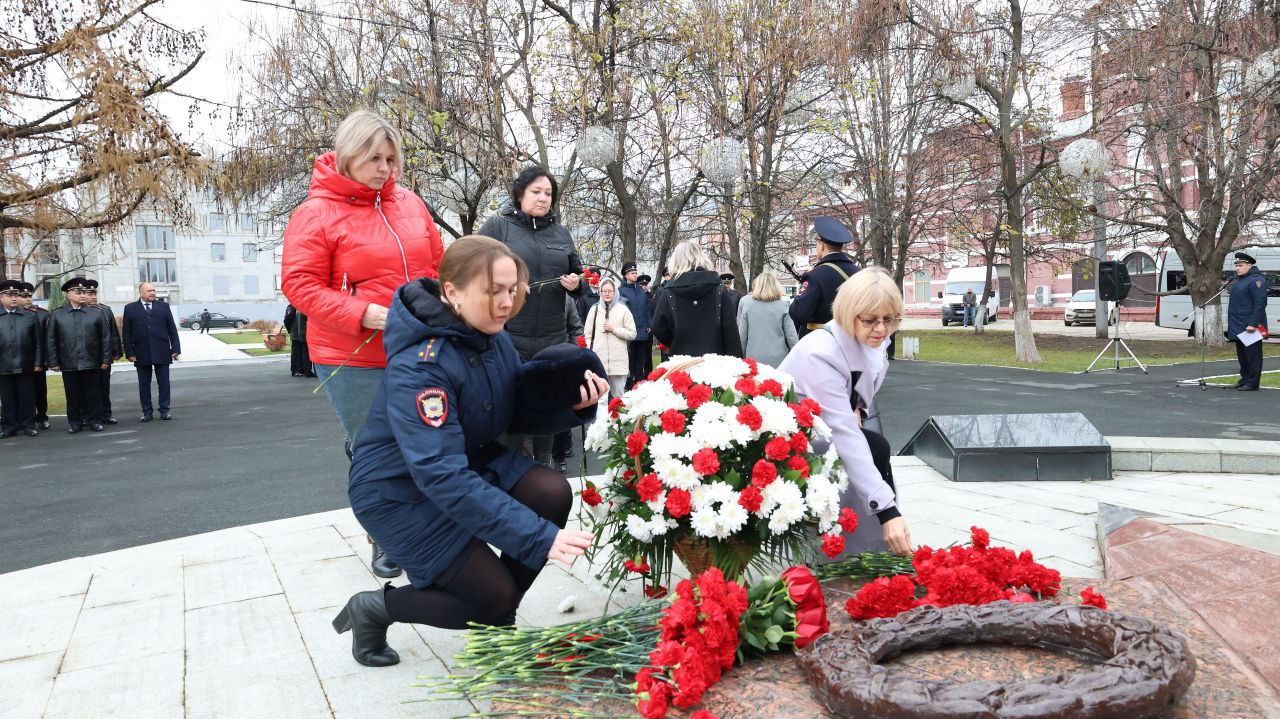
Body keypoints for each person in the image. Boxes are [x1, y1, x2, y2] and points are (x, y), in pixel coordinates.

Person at [333, 236, 607, 667]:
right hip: (397, 492)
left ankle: (496, 621)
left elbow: (510, 407)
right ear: (452, 292)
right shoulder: (421, 366)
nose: (505, 301)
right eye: (492, 291)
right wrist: (538, 537)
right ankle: (375, 608)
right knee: (493, 598)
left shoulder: (490, 336)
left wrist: (570, 405)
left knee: (551, 492)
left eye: (512, 290)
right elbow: (440, 474)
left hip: (465, 460)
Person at [282, 109, 445, 579]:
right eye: (375, 158)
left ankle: (423, 524)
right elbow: (300, 285)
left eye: (392, 159)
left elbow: (436, 266)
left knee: (422, 439)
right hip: (352, 357)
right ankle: (386, 535)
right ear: (348, 155)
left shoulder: (410, 204)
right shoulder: (315, 213)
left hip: (417, 346)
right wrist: (362, 313)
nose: (385, 169)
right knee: (375, 448)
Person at [779, 267, 912, 558]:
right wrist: (887, 510)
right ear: (848, 313)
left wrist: (856, 408)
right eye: (870, 320)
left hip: (820, 427)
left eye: (889, 320)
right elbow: (843, 435)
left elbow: (862, 386)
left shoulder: (873, 338)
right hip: (787, 442)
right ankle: (855, 550)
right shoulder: (821, 352)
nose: (881, 329)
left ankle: (874, 549)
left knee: (875, 448)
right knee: (862, 452)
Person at [478, 165, 585, 466]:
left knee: (545, 406)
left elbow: (578, 273)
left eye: (548, 193)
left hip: (551, 337)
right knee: (508, 406)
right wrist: (504, 285)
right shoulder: (499, 227)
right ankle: (507, 468)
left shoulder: (561, 233)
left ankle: (544, 466)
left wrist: (577, 284)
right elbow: (470, 268)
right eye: (536, 192)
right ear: (520, 194)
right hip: (507, 336)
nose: (543, 198)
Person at [650, 241, 743, 358]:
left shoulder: (669, 291)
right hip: (715, 362)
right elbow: (730, 331)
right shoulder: (719, 289)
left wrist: (677, 341)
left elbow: (658, 327)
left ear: (676, 260)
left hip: (682, 361)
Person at [47, 277, 111, 433]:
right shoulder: (57, 314)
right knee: (73, 395)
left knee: (93, 393)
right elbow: (51, 339)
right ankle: (75, 423)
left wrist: (105, 359)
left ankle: (94, 421)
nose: (82, 295)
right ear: (69, 294)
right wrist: (54, 362)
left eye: (84, 292)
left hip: (92, 360)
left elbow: (105, 338)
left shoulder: (96, 313)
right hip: (69, 362)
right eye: (78, 292)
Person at [789, 216, 859, 339]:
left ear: (821, 245)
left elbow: (798, 313)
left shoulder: (814, 276)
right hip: (852, 340)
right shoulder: (859, 273)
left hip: (819, 342)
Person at [121, 282, 181, 421]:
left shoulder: (163, 307)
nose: (152, 293)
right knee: (144, 384)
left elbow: (172, 329)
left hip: (162, 350)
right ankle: (147, 411)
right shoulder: (130, 308)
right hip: (141, 352)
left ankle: (164, 410)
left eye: (153, 290)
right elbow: (126, 333)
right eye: (149, 291)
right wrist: (130, 352)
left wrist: (176, 348)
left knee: (164, 382)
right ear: (141, 292)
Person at [0, 279, 42, 438]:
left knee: (27, 397)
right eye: (9, 295)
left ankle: (28, 425)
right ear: (1, 297)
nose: (13, 298)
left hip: (26, 363)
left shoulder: (29, 316)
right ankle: (8, 427)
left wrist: (38, 362)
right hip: (3, 365)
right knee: (7, 398)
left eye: (15, 294)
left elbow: (38, 342)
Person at [584, 276, 637, 397]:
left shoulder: (623, 309)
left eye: (610, 291)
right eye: (604, 291)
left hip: (618, 362)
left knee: (619, 398)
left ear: (615, 292)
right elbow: (587, 335)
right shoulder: (594, 310)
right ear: (600, 292)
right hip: (599, 361)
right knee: (600, 398)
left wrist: (614, 330)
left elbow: (633, 333)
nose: (607, 294)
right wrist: (588, 353)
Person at [736, 270, 798, 368]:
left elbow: (742, 336)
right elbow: (792, 337)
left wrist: (739, 358)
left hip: (753, 358)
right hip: (779, 358)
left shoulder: (747, 305)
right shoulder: (783, 306)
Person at [1227, 252, 1269, 391]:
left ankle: (1252, 383)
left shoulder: (1257, 280)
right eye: (1236, 265)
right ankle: (1244, 379)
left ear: (1249, 266)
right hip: (1239, 324)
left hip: (1249, 325)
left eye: (1240, 265)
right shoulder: (1240, 280)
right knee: (1243, 356)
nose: (1237, 268)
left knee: (1252, 355)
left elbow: (1260, 303)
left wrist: (1253, 323)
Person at [17, 283, 51, 429]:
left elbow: (48, 339)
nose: (27, 299)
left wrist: (46, 359)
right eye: (23, 296)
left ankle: (42, 416)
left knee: (40, 390)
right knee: (22, 392)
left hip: (39, 359)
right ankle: (22, 418)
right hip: (20, 360)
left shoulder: (42, 314)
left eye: (29, 296)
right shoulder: (10, 315)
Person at [87, 288, 122, 425]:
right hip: (89, 356)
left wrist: (116, 351)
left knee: (104, 387)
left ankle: (106, 414)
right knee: (89, 388)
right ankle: (88, 415)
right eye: (90, 294)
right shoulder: (82, 312)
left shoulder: (105, 310)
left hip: (104, 356)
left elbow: (113, 332)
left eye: (95, 294)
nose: (94, 297)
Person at [619, 261, 653, 388]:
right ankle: (629, 383)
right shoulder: (621, 291)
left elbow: (647, 308)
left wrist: (649, 324)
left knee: (641, 359)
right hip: (629, 330)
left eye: (635, 273)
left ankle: (639, 383)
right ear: (626, 275)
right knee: (629, 359)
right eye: (632, 273)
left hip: (643, 330)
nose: (635, 275)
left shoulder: (641, 290)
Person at [283, 304, 316, 378]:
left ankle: (302, 370)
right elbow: (287, 320)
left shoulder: (296, 306)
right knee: (298, 353)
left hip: (299, 333)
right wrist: (290, 330)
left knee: (302, 353)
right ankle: (296, 370)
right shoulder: (293, 306)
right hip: (297, 334)